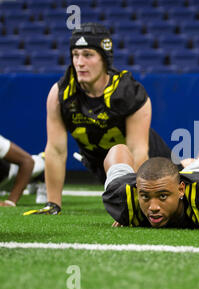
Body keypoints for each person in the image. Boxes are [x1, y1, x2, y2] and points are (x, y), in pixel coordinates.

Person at [23, 22, 173, 216]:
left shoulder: (128, 92)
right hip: (103, 166)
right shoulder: (61, 93)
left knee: (187, 176)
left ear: (104, 58)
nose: (79, 63)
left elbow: (138, 151)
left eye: (88, 55)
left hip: (153, 162)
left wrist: (137, 204)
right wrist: (53, 204)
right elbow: (56, 150)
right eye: (75, 55)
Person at [0, 134, 45, 206]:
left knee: (39, 166)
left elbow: (27, 161)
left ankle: (43, 170)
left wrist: (11, 201)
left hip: (12, 176)